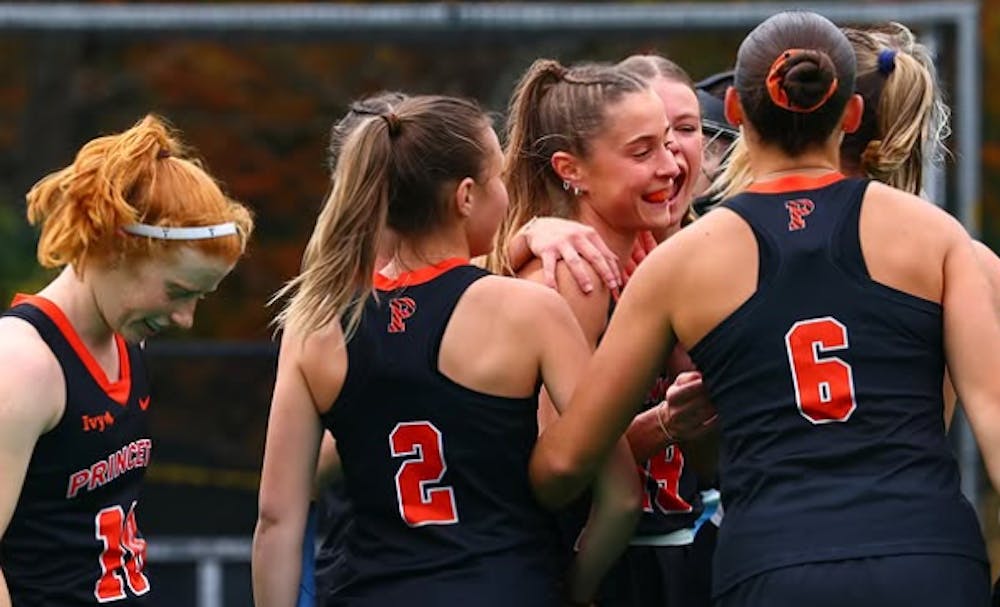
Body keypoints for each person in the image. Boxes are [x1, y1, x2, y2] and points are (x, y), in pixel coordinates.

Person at [530, 11, 1000, 606]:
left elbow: (565, 464)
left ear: (732, 112)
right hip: (929, 558)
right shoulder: (940, 239)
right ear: (848, 114)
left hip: (775, 565)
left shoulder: (681, 263)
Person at [252, 94, 633, 607]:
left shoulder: (315, 321)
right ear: (466, 196)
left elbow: (278, 519)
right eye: (499, 176)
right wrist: (577, 587)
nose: (507, 193)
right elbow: (622, 496)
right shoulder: (529, 311)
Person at [0, 114, 254, 606]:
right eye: (178, 291)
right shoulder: (23, 362)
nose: (185, 319)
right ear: (117, 248)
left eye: (199, 297)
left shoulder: (126, 341)